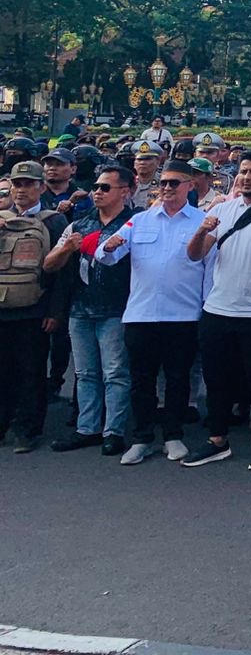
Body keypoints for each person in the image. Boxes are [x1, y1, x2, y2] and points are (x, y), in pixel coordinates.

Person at [181, 150, 251, 471]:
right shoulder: (223, 209)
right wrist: (202, 230)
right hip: (217, 308)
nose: (246, 178)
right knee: (217, 377)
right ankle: (217, 439)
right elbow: (195, 255)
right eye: (243, 171)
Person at [94, 161, 207, 465]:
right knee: (141, 380)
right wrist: (109, 245)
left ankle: (173, 434)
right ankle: (142, 437)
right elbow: (105, 256)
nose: (167, 188)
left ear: (189, 186)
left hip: (182, 315)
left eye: (174, 183)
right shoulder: (140, 221)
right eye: (164, 183)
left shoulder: (203, 220)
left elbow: (209, 270)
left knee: (177, 379)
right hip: (141, 314)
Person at [43, 163, 135, 456]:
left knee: (115, 372)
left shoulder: (136, 223)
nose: (97, 192)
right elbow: (49, 265)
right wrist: (66, 248)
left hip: (117, 308)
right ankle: (87, 428)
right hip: (79, 308)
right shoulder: (78, 224)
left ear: (125, 191)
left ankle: (114, 431)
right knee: (85, 373)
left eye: (105, 187)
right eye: (95, 187)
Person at [0, 161, 66, 453]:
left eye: (28, 184)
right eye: (17, 184)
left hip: (34, 309)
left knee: (32, 371)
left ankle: (28, 429)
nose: (21, 190)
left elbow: (62, 273)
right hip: (3, 307)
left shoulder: (53, 221)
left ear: (41, 187)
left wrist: (54, 312)